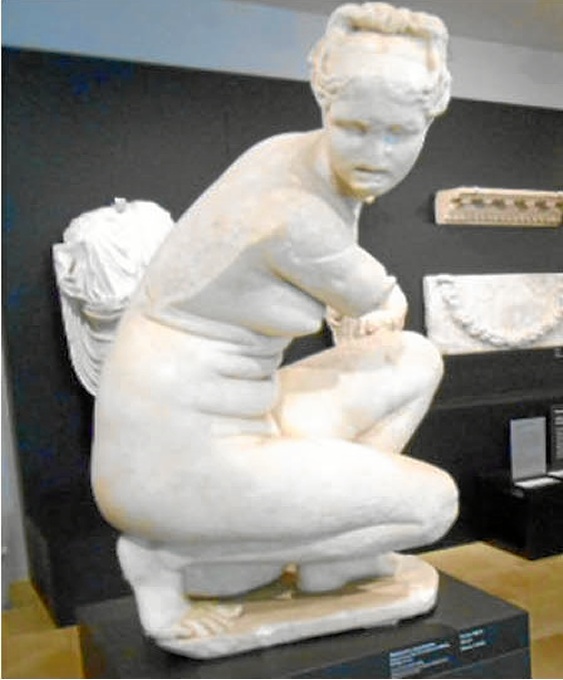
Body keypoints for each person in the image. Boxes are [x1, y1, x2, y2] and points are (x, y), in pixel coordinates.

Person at [91, 2, 458, 644]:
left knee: (414, 358)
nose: (377, 154)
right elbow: (381, 303)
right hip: (173, 466)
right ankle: (166, 559)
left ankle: (332, 550)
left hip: (240, 417)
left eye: (400, 133)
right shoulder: (296, 214)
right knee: (435, 505)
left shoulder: (284, 154)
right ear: (324, 102)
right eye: (355, 128)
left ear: (430, 120)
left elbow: (381, 329)